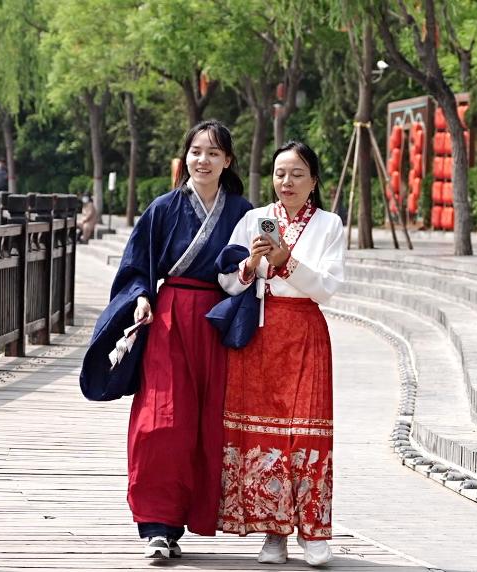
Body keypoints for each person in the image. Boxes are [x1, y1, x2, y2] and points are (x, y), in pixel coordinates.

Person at [79, 120, 253, 559]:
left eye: (213, 153)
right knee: (161, 421)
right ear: (185, 157)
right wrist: (140, 296)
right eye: (196, 151)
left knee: (206, 423)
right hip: (170, 319)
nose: (203, 160)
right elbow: (136, 267)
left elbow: (252, 270)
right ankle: (157, 524)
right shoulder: (162, 208)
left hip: (217, 322)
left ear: (227, 161)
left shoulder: (243, 213)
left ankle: (189, 516)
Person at [216, 141, 345, 567]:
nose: (287, 182)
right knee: (266, 434)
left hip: (305, 330)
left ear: (314, 180)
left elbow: (327, 288)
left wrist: (287, 262)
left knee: (306, 431)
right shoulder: (254, 219)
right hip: (260, 331)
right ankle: (274, 534)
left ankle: (313, 532)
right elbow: (226, 282)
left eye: (297, 174)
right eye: (279, 174)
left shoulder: (329, 225)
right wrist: (249, 266)